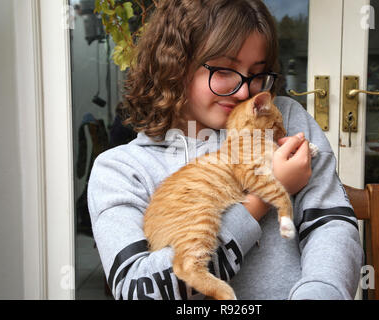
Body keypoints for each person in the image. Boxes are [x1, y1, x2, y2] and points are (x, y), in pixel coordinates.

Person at [87, 0, 363, 300]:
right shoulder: (122, 170)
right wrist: (260, 199)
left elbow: (332, 226)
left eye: (257, 74)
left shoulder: (282, 120)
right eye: (224, 70)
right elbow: (139, 292)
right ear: (176, 64)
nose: (245, 91)